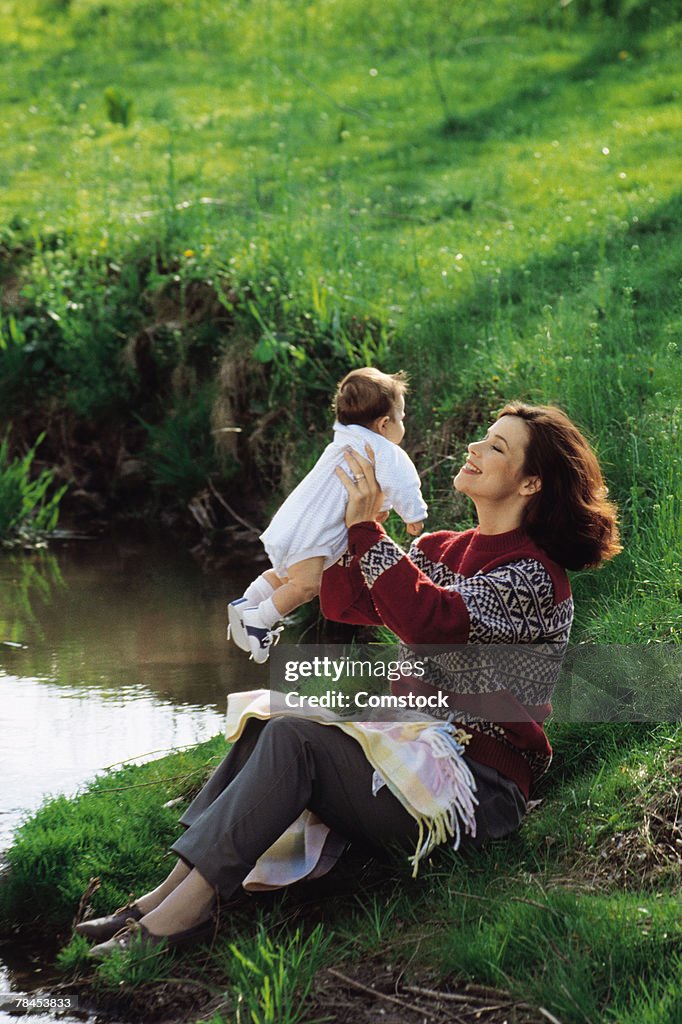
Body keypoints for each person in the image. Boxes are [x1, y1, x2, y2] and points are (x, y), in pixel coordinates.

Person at [75, 401, 620, 958]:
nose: (475, 449)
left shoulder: (534, 578)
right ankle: (159, 899)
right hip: (410, 760)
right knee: (271, 721)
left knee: (296, 742)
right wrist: (335, 525)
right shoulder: (438, 549)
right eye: (483, 437)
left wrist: (367, 532)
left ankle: (181, 920)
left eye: (497, 446)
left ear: (531, 483)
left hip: (476, 791)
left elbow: (434, 621)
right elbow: (356, 600)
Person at [227, 367, 427, 663]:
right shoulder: (385, 450)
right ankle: (260, 620)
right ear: (385, 424)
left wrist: (379, 509)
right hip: (315, 532)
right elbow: (402, 482)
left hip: (292, 521)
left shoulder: (343, 438)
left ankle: (247, 601)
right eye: (402, 417)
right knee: (307, 586)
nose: (403, 425)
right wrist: (414, 514)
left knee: (286, 574)